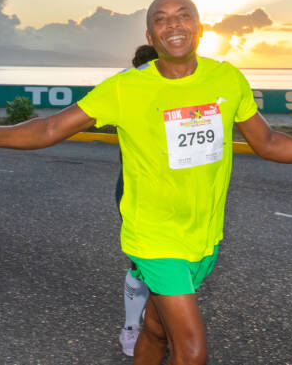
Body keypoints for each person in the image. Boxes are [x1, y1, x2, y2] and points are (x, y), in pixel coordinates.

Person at [0, 0, 292, 364]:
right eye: (161, 19)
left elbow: (269, 141)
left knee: (155, 330)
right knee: (192, 353)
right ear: (151, 36)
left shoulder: (226, 79)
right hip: (154, 237)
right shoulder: (125, 89)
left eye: (182, 15)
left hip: (203, 236)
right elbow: (50, 128)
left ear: (199, 28)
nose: (173, 24)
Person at [118, 44, 159, 356]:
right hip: (136, 188)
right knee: (141, 262)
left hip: (173, 191)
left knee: (166, 263)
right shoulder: (126, 89)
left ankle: (153, 324)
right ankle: (132, 326)